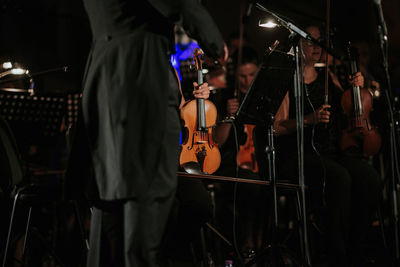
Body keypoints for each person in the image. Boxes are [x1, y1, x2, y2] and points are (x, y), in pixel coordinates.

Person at [67, 1, 227, 266]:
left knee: (112, 199)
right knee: (146, 200)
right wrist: (214, 41)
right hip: (140, 77)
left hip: (104, 74)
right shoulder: (147, 55)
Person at [266, 24, 381, 266]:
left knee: (368, 176)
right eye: (309, 41)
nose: (316, 46)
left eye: (319, 41)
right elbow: (276, 127)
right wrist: (309, 119)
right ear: (297, 45)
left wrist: (357, 88)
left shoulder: (328, 77)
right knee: (339, 177)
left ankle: (355, 246)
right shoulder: (289, 79)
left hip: (329, 150)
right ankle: (335, 253)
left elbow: (349, 106)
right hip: (300, 154)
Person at [213, 46, 267, 257]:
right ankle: (247, 243)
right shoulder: (227, 97)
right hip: (230, 163)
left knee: (265, 185)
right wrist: (228, 116)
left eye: (252, 75)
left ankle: (262, 242)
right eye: (242, 76)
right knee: (250, 187)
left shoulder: (263, 96)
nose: (247, 81)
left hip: (259, 159)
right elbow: (218, 140)